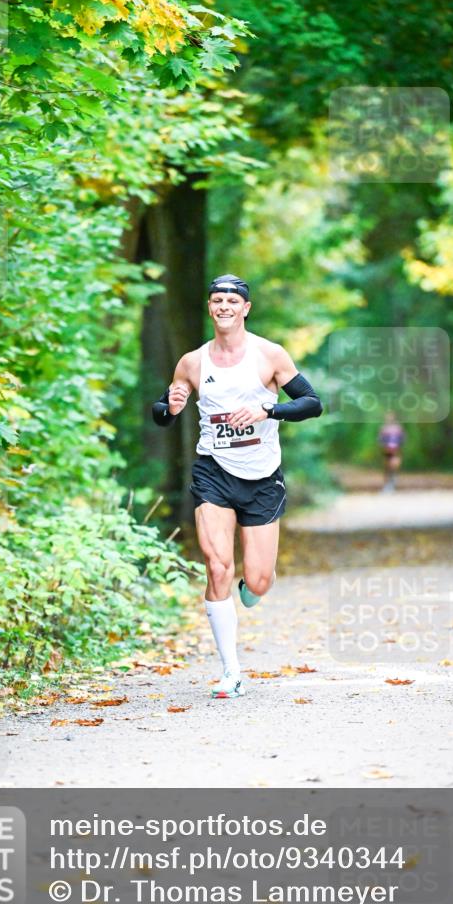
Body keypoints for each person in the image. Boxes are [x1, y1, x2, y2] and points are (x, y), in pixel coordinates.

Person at [151, 274, 323, 700]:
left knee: (258, 581)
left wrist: (269, 410)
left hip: (263, 476)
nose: (224, 307)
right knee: (217, 566)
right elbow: (163, 412)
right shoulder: (192, 362)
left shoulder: (269, 355)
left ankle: (254, 586)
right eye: (217, 301)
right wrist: (169, 407)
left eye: (232, 301)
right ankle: (231, 671)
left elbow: (312, 403)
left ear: (246, 308)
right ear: (210, 308)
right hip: (214, 472)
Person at [378, 412, 405, 492]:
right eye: (387, 417)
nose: (389, 418)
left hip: (396, 450)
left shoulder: (398, 428)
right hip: (387, 450)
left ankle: (392, 482)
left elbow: (402, 438)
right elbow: (380, 439)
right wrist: (383, 446)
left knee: (394, 466)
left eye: (390, 417)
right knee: (387, 468)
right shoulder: (383, 428)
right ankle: (387, 485)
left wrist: (399, 447)